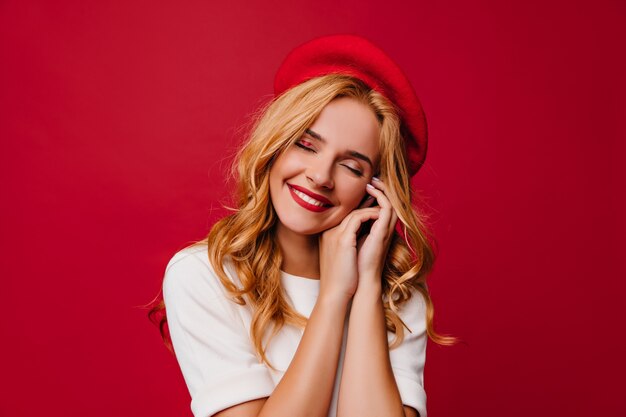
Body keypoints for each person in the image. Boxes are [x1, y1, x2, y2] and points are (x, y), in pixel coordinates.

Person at [150, 34, 453, 417]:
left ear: (374, 191)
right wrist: (333, 295)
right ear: (275, 145)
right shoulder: (203, 275)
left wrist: (365, 290)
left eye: (351, 166)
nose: (320, 175)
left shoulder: (396, 289)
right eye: (306, 145)